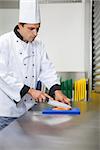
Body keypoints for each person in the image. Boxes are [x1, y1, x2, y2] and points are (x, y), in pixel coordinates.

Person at [0, 0, 70, 130]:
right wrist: (30, 91)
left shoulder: (39, 45)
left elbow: (47, 69)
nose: (35, 33)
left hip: (27, 111)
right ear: (20, 25)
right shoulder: (3, 42)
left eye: (38, 28)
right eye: (31, 28)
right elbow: (2, 75)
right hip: (5, 113)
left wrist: (56, 91)